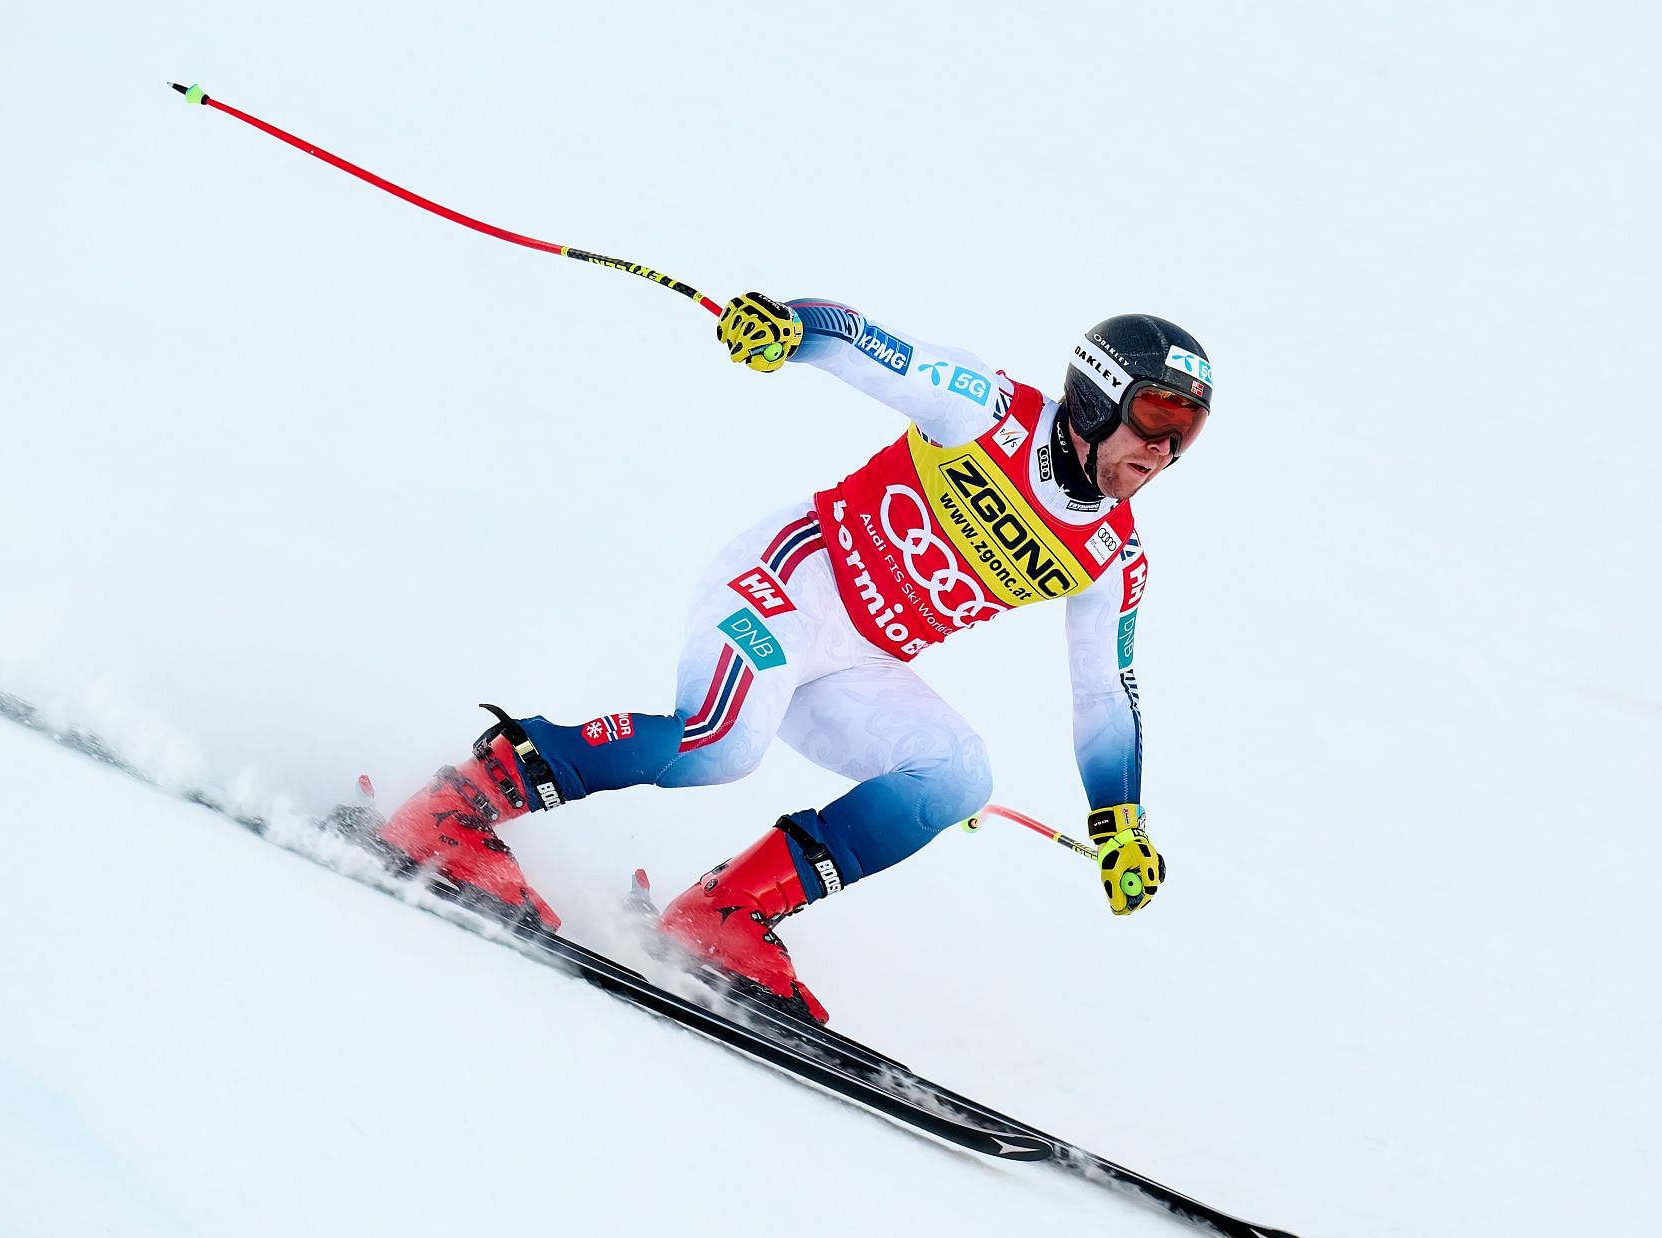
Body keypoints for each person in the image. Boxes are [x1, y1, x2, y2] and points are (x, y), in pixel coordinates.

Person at [372, 294, 1212, 1023]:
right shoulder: (988, 409)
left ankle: (729, 908)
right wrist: (787, 328)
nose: (1165, 453)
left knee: (957, 775)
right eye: (1157, 420)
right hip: (791, 580)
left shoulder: (1112, 552)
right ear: (1098, 400)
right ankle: (454, 808)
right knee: (719, 746)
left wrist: (1121, 820)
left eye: (1188, 434)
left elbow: (1106, 690)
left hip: (858, 662)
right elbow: (861, 341)